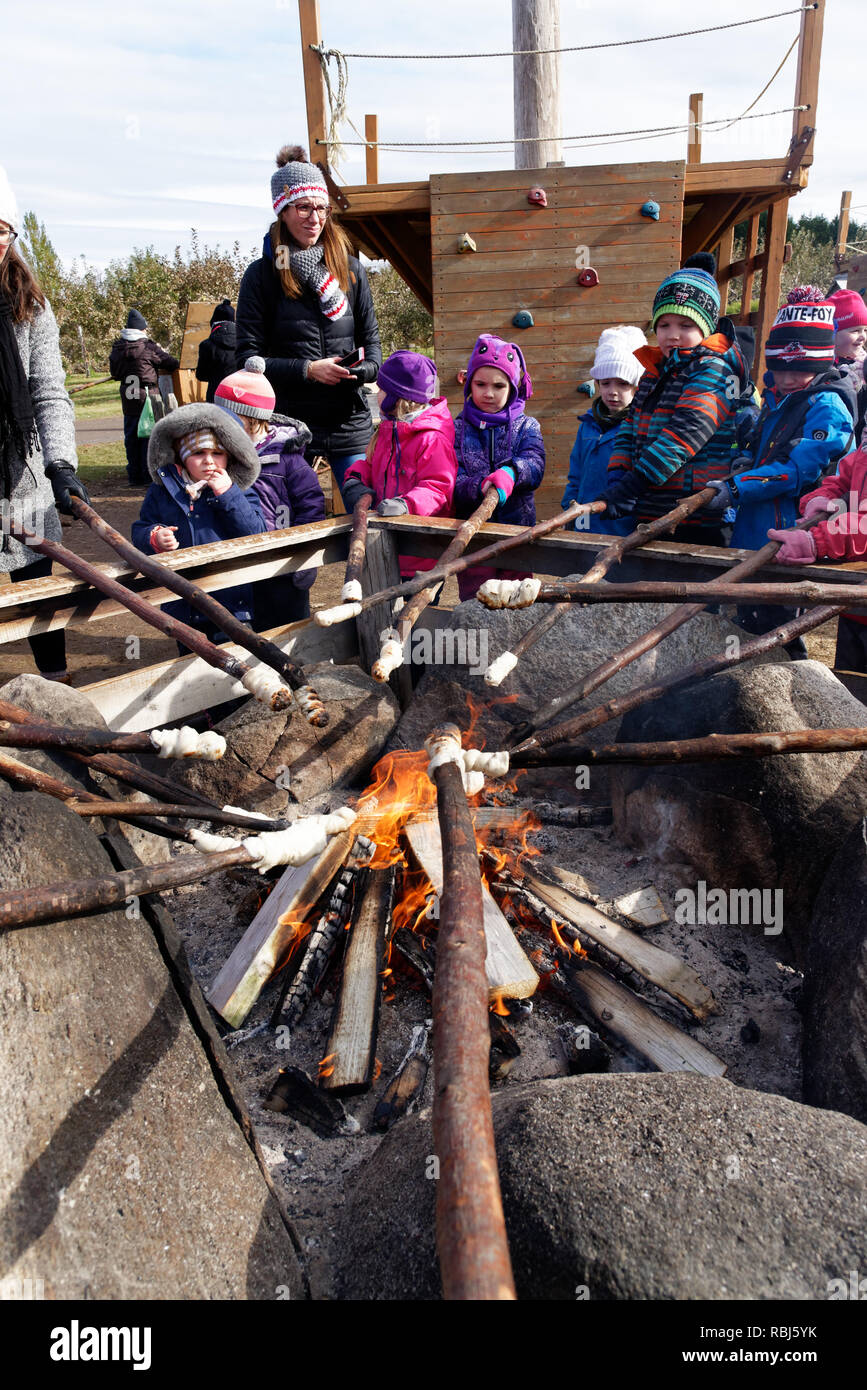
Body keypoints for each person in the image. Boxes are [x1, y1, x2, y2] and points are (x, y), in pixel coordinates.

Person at [707, 287, 855, 658]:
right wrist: (745, 463)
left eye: (799, 369)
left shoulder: (828, 406)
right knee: (747, 621)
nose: (787, 377)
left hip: (790, 535)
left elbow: (798, 470)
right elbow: (768, 450)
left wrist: (737, 487)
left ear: (820, 362)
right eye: (780, 368)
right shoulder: (776, 399)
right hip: (754, 531)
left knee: (781, 627)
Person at [235, 144, 382, 507]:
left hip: (349, 422)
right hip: (289, 425)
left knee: (369, 515)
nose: (314, 218)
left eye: (321, 208)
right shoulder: (261, 276)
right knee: (297, 518)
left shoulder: (350, 269)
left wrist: (360, 372)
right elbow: (248, 359)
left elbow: (374, 343)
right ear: (282, 211)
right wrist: (308, 370)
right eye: (303, 207)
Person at [0, 165, 90, 684]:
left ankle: (55, 682)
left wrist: (60, 463)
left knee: (36, 584)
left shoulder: (30, 307)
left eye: (0, 229)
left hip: (23, 474)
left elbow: (49, 392)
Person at [599, 253, 749, 546]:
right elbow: (629, 427)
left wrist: (633, 484)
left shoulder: (713, 369)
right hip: (652, 508)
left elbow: (685, 432)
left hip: (692, 513)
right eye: (664, 325)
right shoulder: (655, 372)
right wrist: (618, 475)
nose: (673, 335)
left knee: (689, 588)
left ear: (705, 328)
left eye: (685, 326)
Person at [131, 404, 266, 647]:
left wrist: (228, 495)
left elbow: (256, 534)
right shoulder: (163, 491)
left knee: (236, 658)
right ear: (182, 456)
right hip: (184, 601)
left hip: (231, 601)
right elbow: (141, 527)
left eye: (217, 454)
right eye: (198, 454)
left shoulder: (240, 490)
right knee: (190, 662)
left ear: (230, 455)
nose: (209, 462)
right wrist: (154, 536)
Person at [214, 356, 325, 627]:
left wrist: (304, 559)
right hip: (241, 564)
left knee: (288, 629)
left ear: (251, 419)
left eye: (228, 417)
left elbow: (312, 508)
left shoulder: (288, 459)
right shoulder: (221, 456)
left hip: (282, 565)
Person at [340, 350, 456, 582]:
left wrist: (407, 504)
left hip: (420, 552)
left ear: (396, 397)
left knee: (415, 613)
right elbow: (371, 463)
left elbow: (439, 487)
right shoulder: (388, 430)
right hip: (385, 546)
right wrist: (356, 478)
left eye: (381, 390)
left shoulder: (431, 439)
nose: (377, 394)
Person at [452, 333, 545, 600]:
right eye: (480, 384)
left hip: (516, 534)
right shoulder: (457, 429)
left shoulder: (527, 426)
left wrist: (513, 472)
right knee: (476, 600)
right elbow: (453, 479)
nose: (488, 393)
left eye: (499, 386)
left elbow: (535, 463)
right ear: (469, 384)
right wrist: (477, 486)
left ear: (513, 387)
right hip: (473, 537)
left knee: (517, 600)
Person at [770, 444, 867, 672]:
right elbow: (844, 480)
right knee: (850, 687)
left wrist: (819, 541)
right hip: (856, 605)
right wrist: (821, 499)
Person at [561, 325, 646, 538]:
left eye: (622, 384)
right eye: (606, 383)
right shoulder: (588, 425)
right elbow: (576, 474)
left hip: (621, 525)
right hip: (584, 520)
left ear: (636, 386)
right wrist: (568, 509)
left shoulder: (639, 427)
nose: (613, 392)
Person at [109, 309, 179, 487]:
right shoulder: (148, 347)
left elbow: (115, 373)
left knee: (131, 435)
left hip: (128, 396)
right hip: (149, 397)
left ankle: (134, 474)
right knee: (149, 435)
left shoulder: (118, 348)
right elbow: (171, 363)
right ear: (142, 329)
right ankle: (149, 474)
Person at [829, 288, 867, 447]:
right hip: (836, 440)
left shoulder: (864, 365)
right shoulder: (825, 369)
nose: (863, 336)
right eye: (855, 330)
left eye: (865, 330)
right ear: (833, 332)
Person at [196, 299, 236, 403]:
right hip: (239, 398)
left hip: (215, 397)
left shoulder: (206, 345)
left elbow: (201, 375)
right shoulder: (243, 344)